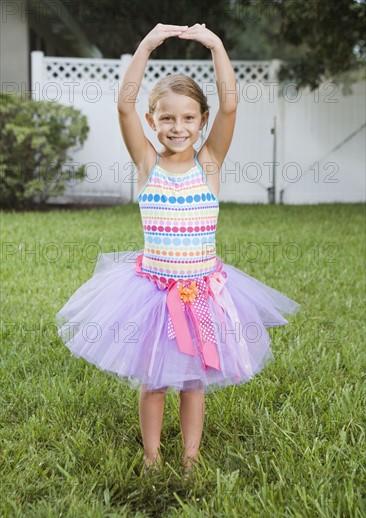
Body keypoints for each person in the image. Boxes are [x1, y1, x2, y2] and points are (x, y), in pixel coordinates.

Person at [56, 23, 301, 479]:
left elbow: (230, 103)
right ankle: (152, 457)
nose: (178, 127)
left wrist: (216, 45)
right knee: (153, 379)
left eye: (189, 118)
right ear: (153, 122)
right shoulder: (147, 164)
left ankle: (190, 458)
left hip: (202, 291)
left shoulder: (209, 164)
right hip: (153, 292)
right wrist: (148, 45)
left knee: (193, 380)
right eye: (167, 118)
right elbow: (123, 104)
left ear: (201, 121)